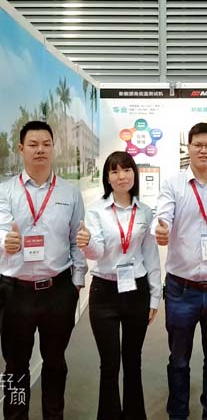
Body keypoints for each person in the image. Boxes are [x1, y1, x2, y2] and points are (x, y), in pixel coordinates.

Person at [153, 122, 207, 420]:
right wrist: (161, 229)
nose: (203, 150)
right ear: (188, 148)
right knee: (179, 360)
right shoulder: (173, 184)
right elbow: (163, 215)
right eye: (198, 145)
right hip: (181, 289)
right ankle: (177, 414)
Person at [0, 120, 87, 420]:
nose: (40, 150)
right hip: (15, 292)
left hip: (57, 291)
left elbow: (77, 238)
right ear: (21, 148)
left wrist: (76, 282)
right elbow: (1, 229)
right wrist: (6, 241)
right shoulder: (5, 191)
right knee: (15, 367)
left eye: (46, 144)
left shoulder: (70, 192)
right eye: (33, 144)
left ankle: (53, 415)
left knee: (55, 362)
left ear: (53, 148)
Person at [77, 151, 161, 420]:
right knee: (110, 364)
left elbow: (151, 255)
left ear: (134, 174)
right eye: (114, 171)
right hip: (104, 293)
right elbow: (98, 252)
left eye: (126, 170)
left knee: (133, 361)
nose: (121, 176)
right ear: (107, 178)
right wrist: (87, 243)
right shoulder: (96, 211)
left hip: (137, 291)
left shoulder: (145, 211)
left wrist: (155, 296)